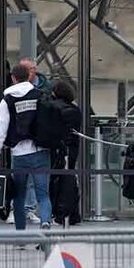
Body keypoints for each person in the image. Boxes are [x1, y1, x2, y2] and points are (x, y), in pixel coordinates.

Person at [0, 63, 53, 231]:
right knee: (43, 195)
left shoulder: (7, 100)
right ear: (29, 76)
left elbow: (0, 129)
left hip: (19, 154)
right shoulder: (40, 95)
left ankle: (21, 234)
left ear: (13, 78)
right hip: (40, 151)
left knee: (19, 196)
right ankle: (45, 222)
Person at [50, 81, 83, 226]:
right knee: (69, 179)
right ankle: (73, 213)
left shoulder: (53, 108)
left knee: (58, 182)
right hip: (72, 149)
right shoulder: (75, 110)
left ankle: (61, 213)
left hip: (59, 149)